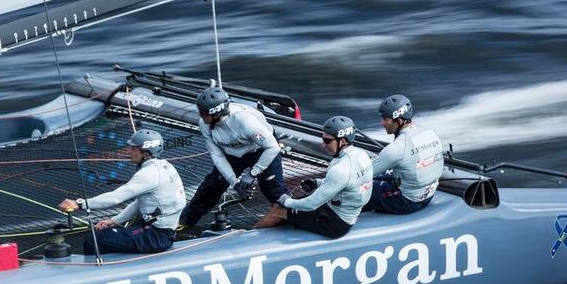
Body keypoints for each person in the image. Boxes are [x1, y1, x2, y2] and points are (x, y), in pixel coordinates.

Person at [59, 129, 186, 255]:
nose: (129, 151)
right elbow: (140, 203)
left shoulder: (149, 174)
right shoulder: (164, 165)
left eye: (133, 149)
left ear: (146, 153)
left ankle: (99, 273)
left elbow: (115, 198)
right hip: (162, 233)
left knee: (94, 239)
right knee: (103, 235)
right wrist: (114, 221)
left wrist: (79, 204)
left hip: (156, 237)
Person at [176, 85, 285, 229]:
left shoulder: (245, 122)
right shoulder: (205, 124)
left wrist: (253, 173)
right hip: (232, 153)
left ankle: (289, 221)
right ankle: (184, 224)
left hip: (261, 150)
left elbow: (273, 147)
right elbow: (217, 155)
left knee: (275, 192)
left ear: (216, 113)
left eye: (203, 113)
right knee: (210, 188)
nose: (200, 116)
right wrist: (235, 183)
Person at [254, 116, 373, 238]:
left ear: (342, 141)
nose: (323, 145)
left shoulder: (340, 169)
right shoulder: (361, 155)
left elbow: (311, 205)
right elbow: (347, 184)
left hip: (334, 223)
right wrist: (317, 183)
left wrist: (286, 201)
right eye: (322, 139)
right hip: (345, 211)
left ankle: (250, 240)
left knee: (279, 209)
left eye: (327, 141)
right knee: (296, 203)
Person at [364, 94, 444, 214]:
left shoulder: (396, 148)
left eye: (385, 119)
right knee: (381, 177)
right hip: (428, 195)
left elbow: (362, 176)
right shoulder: (430, 133)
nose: (382, 123)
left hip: (407, 202)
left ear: (399, 121)